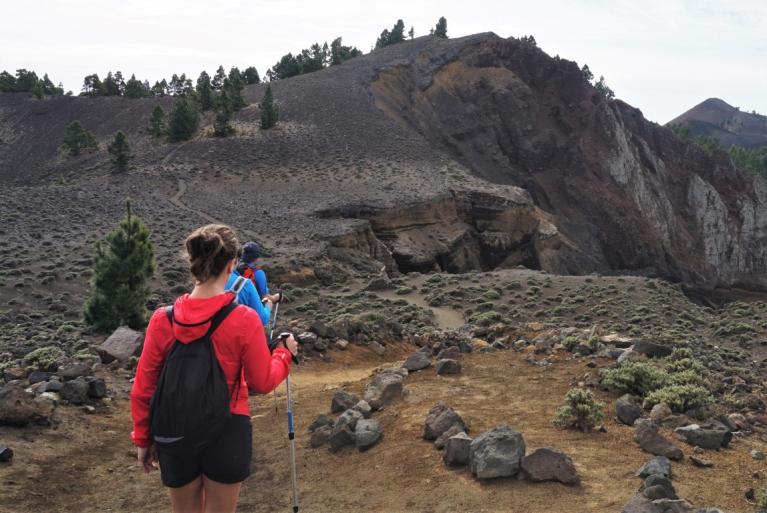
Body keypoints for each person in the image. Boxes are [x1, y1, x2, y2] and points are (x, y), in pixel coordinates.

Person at [130, 224, 298, 513]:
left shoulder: (162, 320)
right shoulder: (243, 319)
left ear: (192, 261)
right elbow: (262, 380)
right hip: (228, 426)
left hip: (173, 428)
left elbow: (144, 388)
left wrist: (143, 438)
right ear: (232, 263)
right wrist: (284, 354)